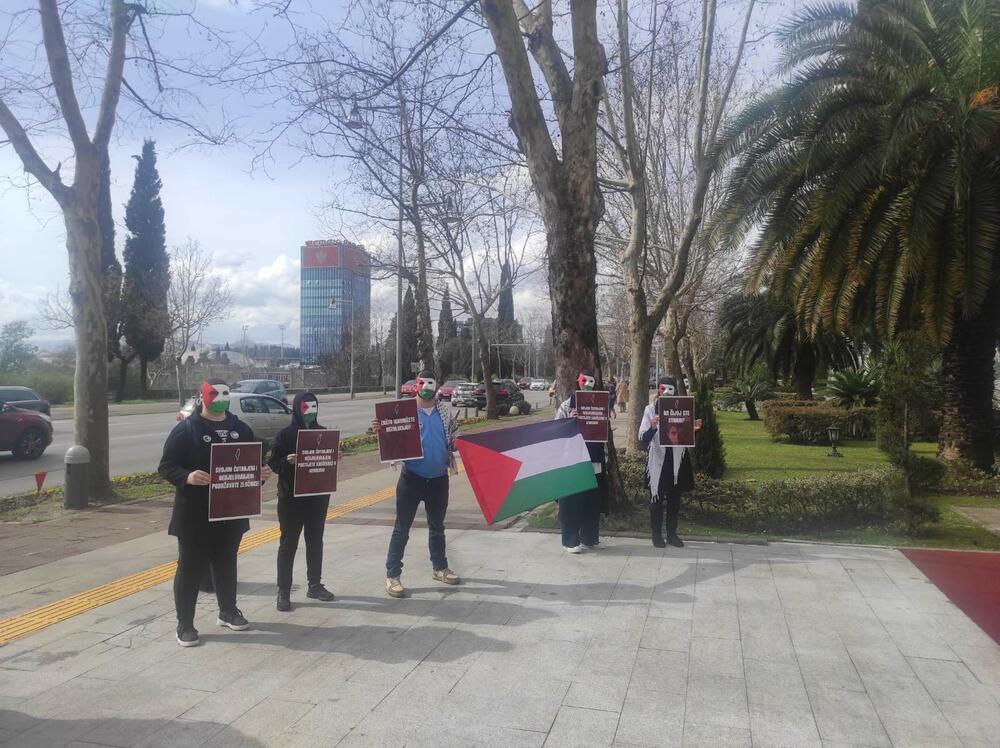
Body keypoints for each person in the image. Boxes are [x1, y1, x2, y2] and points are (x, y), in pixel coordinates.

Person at [158, 378, 273, 647]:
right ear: (203, 396)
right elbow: (166, 466)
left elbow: (250, 466)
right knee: (189, 568)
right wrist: (187, 476)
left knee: (226, 562)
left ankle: (228, 610)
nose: (220, 398)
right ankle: (184, 623)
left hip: (231, 512)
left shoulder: (241, 429)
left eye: (225, 393)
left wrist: (262, 474)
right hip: (195, 515)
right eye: (215, 393)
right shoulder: (186, 430)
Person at [372, 369, 460, 598]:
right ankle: (392, 575)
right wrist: (380, 430)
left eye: (432, 383)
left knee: (437, 526)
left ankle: (440, 567)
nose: (427, 388)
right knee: (402, 529)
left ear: (437, 386)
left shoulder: (445, 412)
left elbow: (454, 440)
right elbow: (390, 436)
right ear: (417, 385)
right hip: (412, 478)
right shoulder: (403, 411)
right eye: (423, 383)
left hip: (439, 479)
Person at [269, 392, 336, 612]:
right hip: (291, 499)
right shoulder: (285, 435)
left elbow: (326, 462)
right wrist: (286, 461)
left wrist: (335, 457)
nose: (310, 412)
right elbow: (273, 463)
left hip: (317, 498)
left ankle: (314, 584)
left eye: (314, 407)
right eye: (306, 407)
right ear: (297, 408)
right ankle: (284, 590)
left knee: (315, 541)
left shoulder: (322, 433)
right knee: (288, 544)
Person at [639, 376, 701, 548]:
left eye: (670, 389)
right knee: (656, 499)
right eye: (663, 389)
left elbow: (685, 437)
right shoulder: (650, 409)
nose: (666, 392)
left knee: (675, 499)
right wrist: (652, 426)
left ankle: (672, 534)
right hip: (657, 460)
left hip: (677, 460)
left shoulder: (682, 408)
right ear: (658, 390)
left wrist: (694, 430)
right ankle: (656, 534)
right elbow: (642, 437)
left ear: (675, 391)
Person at [554, 371, 607, 553]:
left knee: (592, 501)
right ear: (578, 381)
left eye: (591, 382)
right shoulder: (566, 405)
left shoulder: (601, 403)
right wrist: (571, 421)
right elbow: (557, 431)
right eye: (585, 381)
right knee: (571, 501)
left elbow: (605, 431)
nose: (588, 385)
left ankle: (590, 538)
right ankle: (570, 540)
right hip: (573, 461)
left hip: (594, 458)